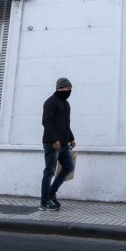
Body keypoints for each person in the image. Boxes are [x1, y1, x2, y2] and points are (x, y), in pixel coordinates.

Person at [40, 77, 76, 211]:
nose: (68, 90)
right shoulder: (50, 102)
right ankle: (44, 202)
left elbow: (65, 124)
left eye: (70, 88)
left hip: (64, 144)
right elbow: (46, 122)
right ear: (58, 88)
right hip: (52, 143)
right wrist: (55, 140)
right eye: (65, 88)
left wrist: (71, 138)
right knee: (49, 171)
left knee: (69, 167)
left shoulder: (66, 104)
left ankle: (51, 192)